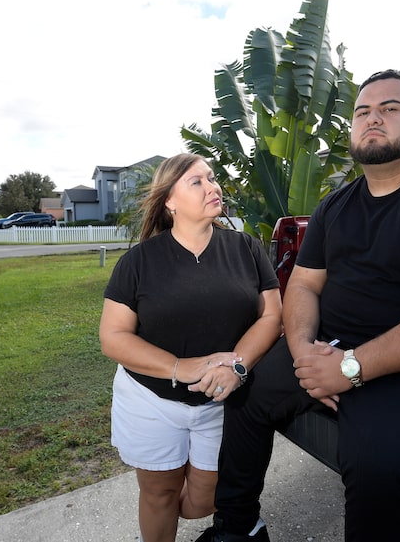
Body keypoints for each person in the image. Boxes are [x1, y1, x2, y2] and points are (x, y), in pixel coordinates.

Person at [195, 70, 400, 542]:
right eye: (363, 111)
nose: (373, 119)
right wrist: (306, 352)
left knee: (378, 464)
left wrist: (351, 368)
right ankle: (238, 527)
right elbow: (303, 286)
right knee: (245, 392)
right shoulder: (335, 206)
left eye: (390, 109)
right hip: (331, 345)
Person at [98, 153, 283, 542]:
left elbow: (271, 317)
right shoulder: (139, 261)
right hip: (150, 400)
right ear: (170, 201)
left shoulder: (246, 249)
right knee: (159, 494)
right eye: (196, 182)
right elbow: (113, 336)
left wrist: (236, 366)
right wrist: (182, 366)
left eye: (212, 179)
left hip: (222, 399)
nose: (212, 187)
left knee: (204, 500)